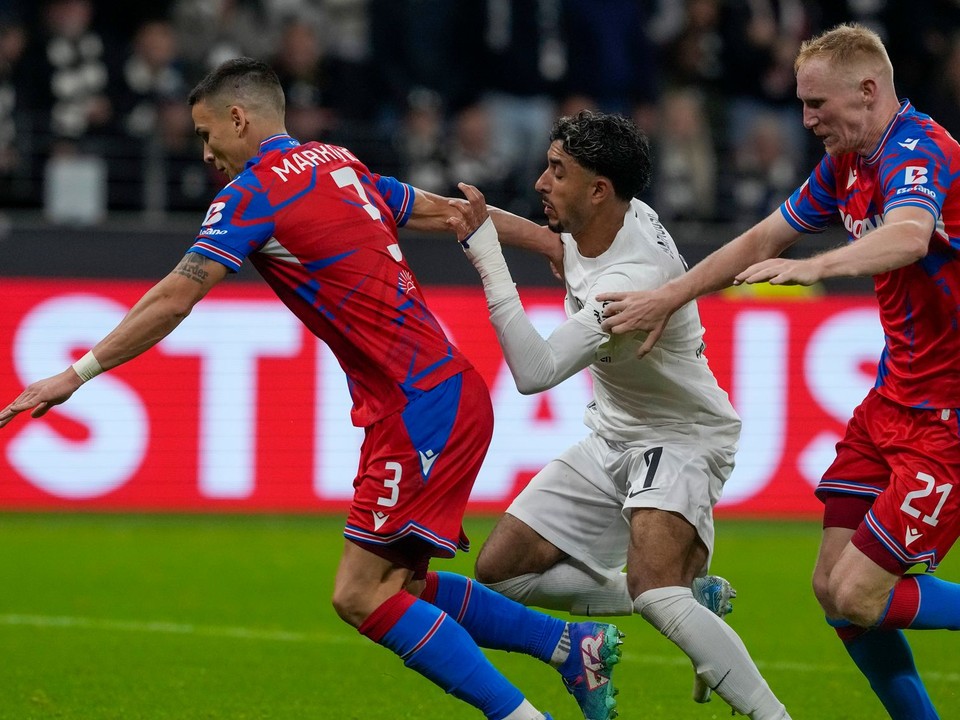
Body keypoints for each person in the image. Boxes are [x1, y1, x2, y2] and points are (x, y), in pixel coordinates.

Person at [0, 57, 626, 720]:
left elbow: (175, 298)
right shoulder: (337, 162)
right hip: (440, 392)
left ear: (240, 118)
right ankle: (569, 645)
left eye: (209, 135)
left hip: (418, 406)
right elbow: (453, 214)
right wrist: (553, 247)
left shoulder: (252, 194)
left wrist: (76, 373)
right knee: (402, 582)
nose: (208, 154)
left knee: (362, 594)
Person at [598, 23, 960, 719]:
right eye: (801, 103)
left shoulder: (918, 150)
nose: (806, 119)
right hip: (894, 398)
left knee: (861, 593)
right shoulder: (848, 164)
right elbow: (763, 235)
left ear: (868, 89)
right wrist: (667, 297)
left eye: (817, 104)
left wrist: (818, 265)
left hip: (947, 416)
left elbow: (910, 235)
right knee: (832, 591)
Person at [442, 110, 790, 719]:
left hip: (681, 436)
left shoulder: (630, 281)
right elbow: (560, 244)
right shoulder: (616, 218)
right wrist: (462, 215)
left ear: (598, 189)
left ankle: (771, 714)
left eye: (558, 172)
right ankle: (690, 598)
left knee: (656, 589)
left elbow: (535, 373)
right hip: (615, 432)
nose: (541, 184)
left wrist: (485, 255)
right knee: (501, 572)